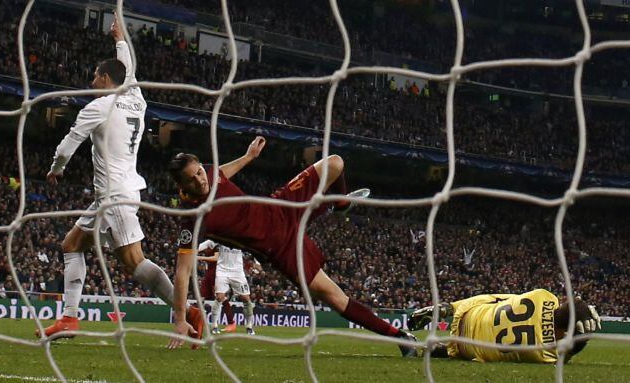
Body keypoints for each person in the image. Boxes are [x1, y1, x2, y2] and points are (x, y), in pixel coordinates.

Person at [165, 136, 418, 356]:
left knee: (335, 163)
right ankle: (398, 337)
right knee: (334, 297)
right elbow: (183, 272)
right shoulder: (193, 218)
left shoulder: (208, 172)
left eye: (199, 172)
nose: (200, 180)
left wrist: (248, 156)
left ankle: (340, 205)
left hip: (279, 206)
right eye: (192, 180)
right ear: (182, 186)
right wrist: (179, 318)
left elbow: (220, 173)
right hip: (280, 248)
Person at [42, 14, 203, 339]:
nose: (91, 82)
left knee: (134, 261)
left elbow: (67, 146)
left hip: (115, 195)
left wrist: (56, 170)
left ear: (104, 78)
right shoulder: (135, 98)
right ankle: (69, 319)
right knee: (72, 243)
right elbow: (127, 66)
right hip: (118, 193)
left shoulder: (98, 107)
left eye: (94, 77)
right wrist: (119, 38)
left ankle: (186, 310)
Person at [408, 289, 602, 363]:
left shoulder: (541, 296)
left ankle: (447, 308)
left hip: (469, 314)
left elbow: (498, 298)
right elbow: (567, 353)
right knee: (481, 351)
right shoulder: (544, 353)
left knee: (496, 299)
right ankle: (440, 350)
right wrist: (581, 340)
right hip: (465, 348)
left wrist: (576, 304)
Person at [197, 240, 255, 335]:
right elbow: (208, 243)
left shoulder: (242, 236)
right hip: (222, 271)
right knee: (219, 297)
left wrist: (256, 263)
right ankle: (214, 325)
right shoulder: (222, 235)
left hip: (238, 272)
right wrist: (193, 249)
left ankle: (249, 325)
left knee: (246, 298)